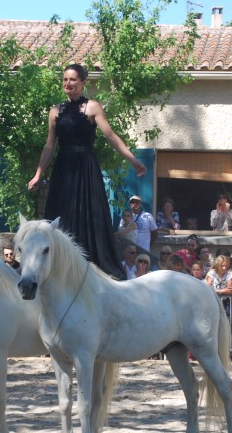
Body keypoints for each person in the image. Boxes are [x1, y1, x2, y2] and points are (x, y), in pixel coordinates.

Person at [28, 63, 146, 279]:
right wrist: (38, 174)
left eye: (72, 79)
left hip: (86, 167)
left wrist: (133, 160)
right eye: (65, 79)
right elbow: (49, 146)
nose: (67, 83)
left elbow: (111, 136)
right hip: (63, 169)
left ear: (83, 82)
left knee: (88, 213)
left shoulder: (92, 107)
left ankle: (91, 269)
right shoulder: (55, 111)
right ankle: (59, 267)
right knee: (62, 215)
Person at [205, 255, 232, 321]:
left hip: (226, 301)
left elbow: (229, 290)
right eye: (222, 265)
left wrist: (216, 290)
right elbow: (208, 288)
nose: (224, 268)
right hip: (214, 300)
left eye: (226, 266)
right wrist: (223, 290)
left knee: (227, 320)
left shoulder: (229, 273)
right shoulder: (212, 273)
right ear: (218, 265)